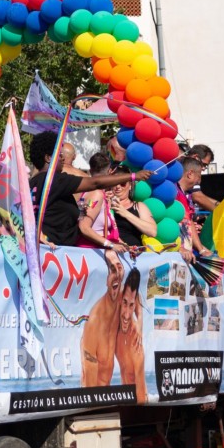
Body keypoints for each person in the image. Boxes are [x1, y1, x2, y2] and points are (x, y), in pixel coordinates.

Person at [29, 131, 152, 248]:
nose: (62, 159)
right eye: (59, 155)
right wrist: (134, 176)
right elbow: (95, 182)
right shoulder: (55, 180)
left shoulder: (32, 183)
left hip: (47, 249)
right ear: (48, 158)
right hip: (56, 251)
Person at [81, 249, 125, 386]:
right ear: (106, 280)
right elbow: (89, 385)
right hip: (94, 400)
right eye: (112, 270)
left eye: (119, 268)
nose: (117, 274)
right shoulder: (95, 322)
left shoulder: (123, 299)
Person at [77, 153, 128, 253]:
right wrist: (110, 245)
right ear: (110, 172)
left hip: (97, 251)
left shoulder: (98, 193)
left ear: (90, 171)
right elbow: (83, 227)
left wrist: (124, 245)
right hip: (91, 253)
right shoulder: (96, 194)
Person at [115, 268, 146, 403]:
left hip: (139, 403)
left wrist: (139, 325)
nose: (127, 313)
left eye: (131, 305)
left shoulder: (135, 342)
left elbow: (139, 312)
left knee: (133, 371)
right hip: (120, 335)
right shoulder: (118, 293)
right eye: (125, 303)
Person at [184, 144, 218, 212]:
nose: (203, 168)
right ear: (195, 157)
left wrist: (218, 204)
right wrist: (220, 212)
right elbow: (197, 197)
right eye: (204, 164)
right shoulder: (189, 171)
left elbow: (199, 194)